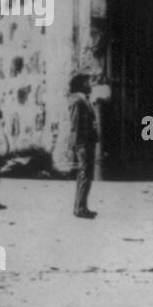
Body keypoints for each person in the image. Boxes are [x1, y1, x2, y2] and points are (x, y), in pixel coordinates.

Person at [67, 74, 98, 218]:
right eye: (87, 82)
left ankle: (83, 206)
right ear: (81, 84)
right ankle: (79, 208)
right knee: (84, 174)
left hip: (87, 142)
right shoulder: (76, 100)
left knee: (87, 175)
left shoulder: (83, 100)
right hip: (83, 143)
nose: (89, 84)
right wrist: (79, 144)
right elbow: (76, 125)